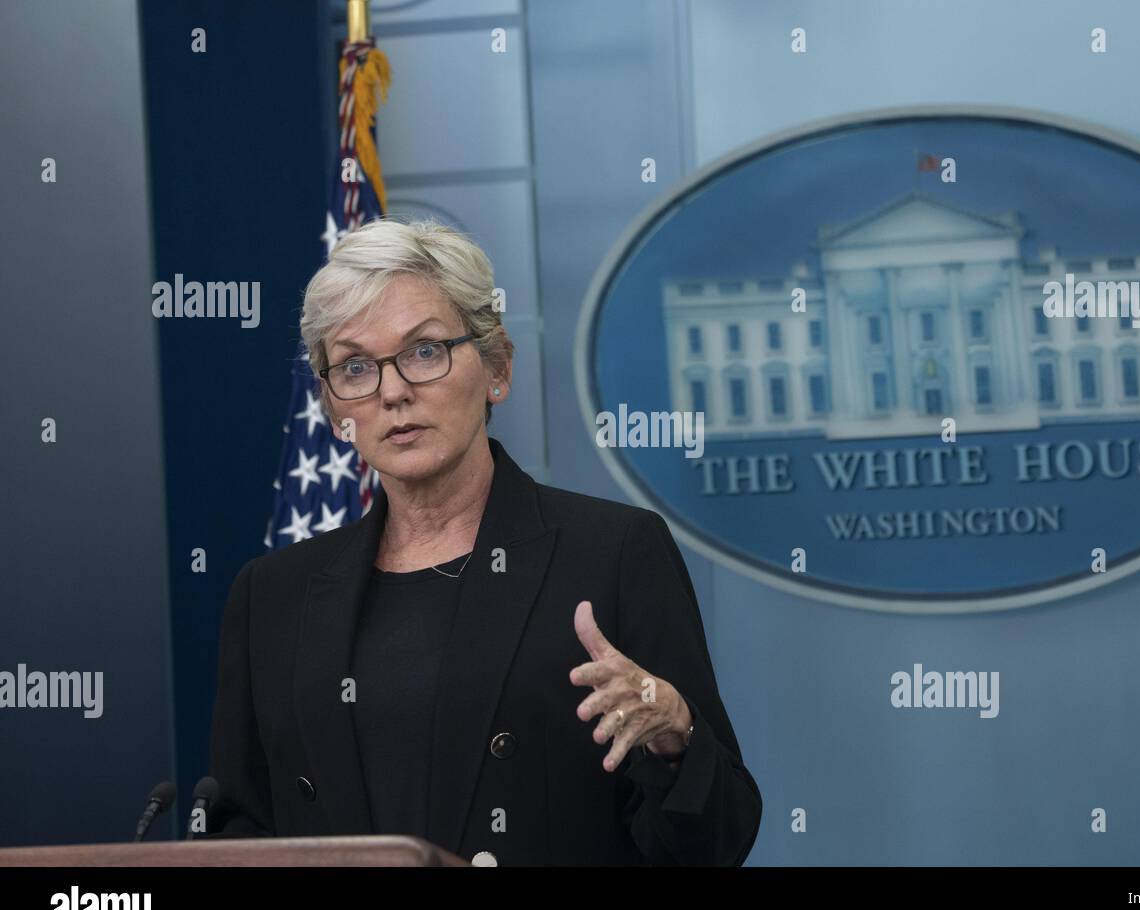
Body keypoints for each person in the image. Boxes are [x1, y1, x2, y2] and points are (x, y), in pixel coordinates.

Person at [208, 218, 762, 865]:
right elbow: (238, 829)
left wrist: (675, 733)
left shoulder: (612, 553)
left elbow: (719, 840)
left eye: (423, 351)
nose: (392, 391)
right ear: (335, 411)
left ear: (496, 366)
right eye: (355, 366)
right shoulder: (273, 595)